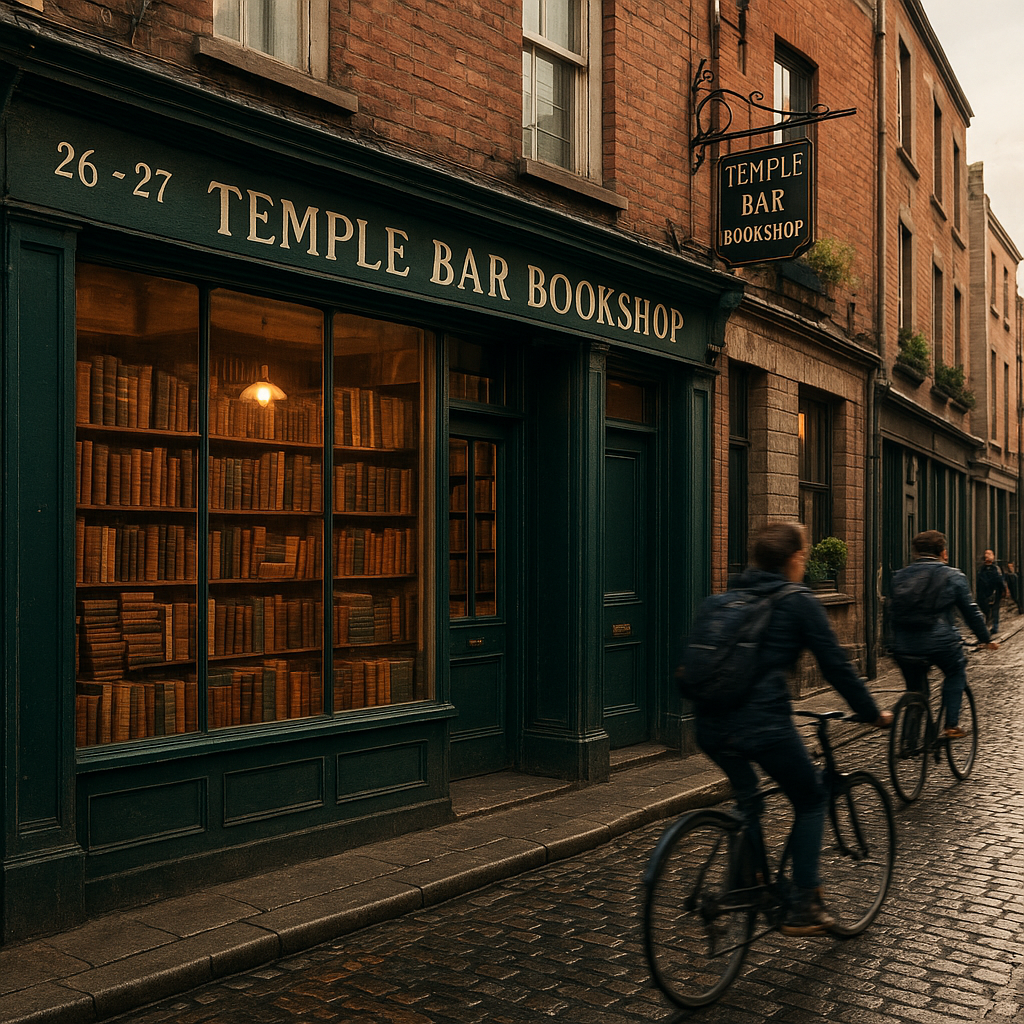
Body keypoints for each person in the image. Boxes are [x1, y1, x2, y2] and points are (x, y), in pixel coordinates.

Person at [692, 521, 892, 937]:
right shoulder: (798, 601)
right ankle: (803, 904)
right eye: (804, 555)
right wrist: (871, 712)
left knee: (749, 800)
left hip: (709, 726)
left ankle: (746, 882)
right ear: (794, 559)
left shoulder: (721, 600)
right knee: (812, 797)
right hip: (763, 726)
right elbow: (836, 666)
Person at [890, 531, 997, 740]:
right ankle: (951, 725)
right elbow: (971, 612)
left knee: (916, 690)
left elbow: (892, 612)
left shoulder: (899, 576)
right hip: (940, 643)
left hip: (903, 646)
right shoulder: (953, 576)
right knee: (956, 671)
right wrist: (985, 638)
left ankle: (909, 742)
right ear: (943, 552)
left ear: (915, 552)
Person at [976, 549, 1006, 635]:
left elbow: (1000, 580)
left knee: (994, 610)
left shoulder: (996, 569)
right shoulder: (982, 569)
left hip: (994, 592)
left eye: (989, 554)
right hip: (984, 592)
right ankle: (988, 626)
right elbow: (979, 581)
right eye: (986, 554)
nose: (987, 556)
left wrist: (1002, 590)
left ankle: (994, 626)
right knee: (986, 610)